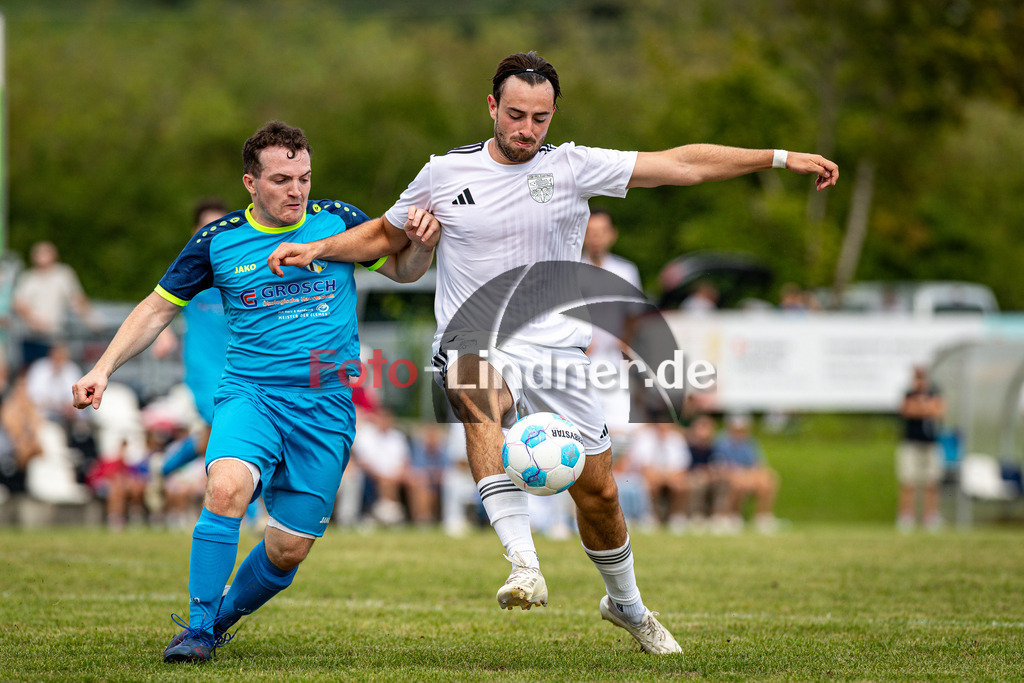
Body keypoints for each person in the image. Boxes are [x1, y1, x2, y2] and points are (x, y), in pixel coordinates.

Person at [267, 51, 838, 654]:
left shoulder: (574, 166)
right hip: (472, 336)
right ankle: (524, 564)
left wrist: (780, 157)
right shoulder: (442, 172)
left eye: (540, 118)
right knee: (478, 397)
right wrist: (320, 249)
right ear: (492, 107)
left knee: (600, 494)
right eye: (515, 115)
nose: (526, 130)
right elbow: (388, 232)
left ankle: (628, 606)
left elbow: (682, 165)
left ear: (553, 115)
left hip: (558, 349)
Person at [71, 121, 440, 664]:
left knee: (287, 550)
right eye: (281, 180)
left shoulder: (336, 222)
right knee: (225, 489)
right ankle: (197, 630)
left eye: (304, 178)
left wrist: (424, 248)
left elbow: (406, 271)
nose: (296, 191)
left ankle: (219, 620)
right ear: (250, 183)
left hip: (326, 405)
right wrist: (103, 368)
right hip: (252, 395)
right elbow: (156, 309)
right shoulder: (217, 241)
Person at [13, 241, 94, 368]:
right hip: (31, 336)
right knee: (29, 372)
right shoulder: (28, 277)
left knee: (55, 369)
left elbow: (77, 298)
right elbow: (19, 303)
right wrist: (34, 320)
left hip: (55, 336)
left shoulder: (63, 274)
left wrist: (91, 319)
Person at [896, 365, 945, 532]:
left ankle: (930, 517)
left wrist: (925, 407)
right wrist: (924, 407)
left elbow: (938, 410)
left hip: (931, 443)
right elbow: (908, 410)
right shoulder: (909, 394)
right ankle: (906, 517)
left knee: (931, 482)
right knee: (908, 481)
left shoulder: (934, 392)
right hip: (911, 443)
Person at [714, 414, 780, 533]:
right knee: (739, 482)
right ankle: (732, 516)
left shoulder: (750, 442)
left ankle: (762, 517)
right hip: (729, 476)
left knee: (768, 480)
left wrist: (756, 474)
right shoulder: (721, 442)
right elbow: (721, 466)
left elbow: (758, 464)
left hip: (747, 476)